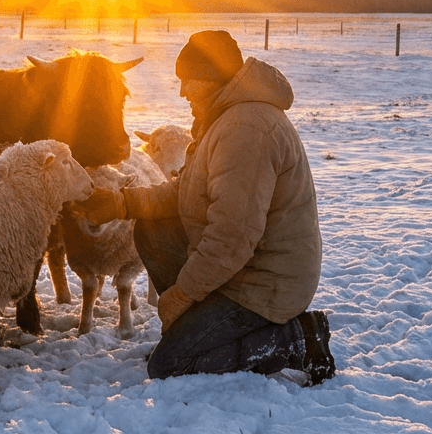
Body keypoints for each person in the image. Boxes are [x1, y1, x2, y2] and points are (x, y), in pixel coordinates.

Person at [84, 30, 336, 385]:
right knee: (153, 228)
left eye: (189, 81)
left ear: (212, 77)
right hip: (245, 268)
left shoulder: (245, 130)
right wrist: (121, 203)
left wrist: (181, 297)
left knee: (169, 366)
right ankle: (198, 330)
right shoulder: (223, 117)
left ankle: (297, 340)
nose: (182, 92)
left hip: (266, 284)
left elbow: (231, 238)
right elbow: (186, 192)